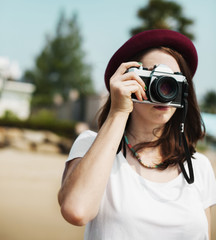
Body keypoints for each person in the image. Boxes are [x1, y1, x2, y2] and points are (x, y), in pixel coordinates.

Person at [58, 29, 216, 240]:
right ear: (129, 80)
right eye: (153, 79)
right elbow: (77, 210)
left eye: (172, 81)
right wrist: (118, 112)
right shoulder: (92, 146)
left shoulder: (198, 167)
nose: (164, 91)